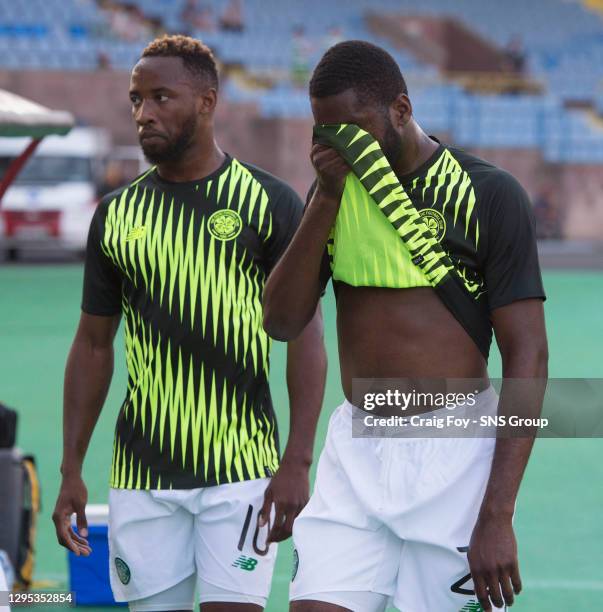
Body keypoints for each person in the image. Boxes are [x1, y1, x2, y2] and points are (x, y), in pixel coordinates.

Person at [263, 40, 548, 612]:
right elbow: (281, 320)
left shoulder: (489, 194)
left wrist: (497, 514)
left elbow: (529, 359)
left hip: (456, 455)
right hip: (357, 449)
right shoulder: (333, 195)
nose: (339, 144)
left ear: (400, 109)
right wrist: (324, 198)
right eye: (325, 131)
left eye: (353, 127)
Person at [53, 34, 326, 612]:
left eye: (161, 97)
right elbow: (93, 346)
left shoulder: (269, 202)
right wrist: (70, 470)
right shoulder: (117, 214)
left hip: (243, 469)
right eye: (135, 100)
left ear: (207, 101)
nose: (143, 114)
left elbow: (303, 333)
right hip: (142, 475)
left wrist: (297, 459)